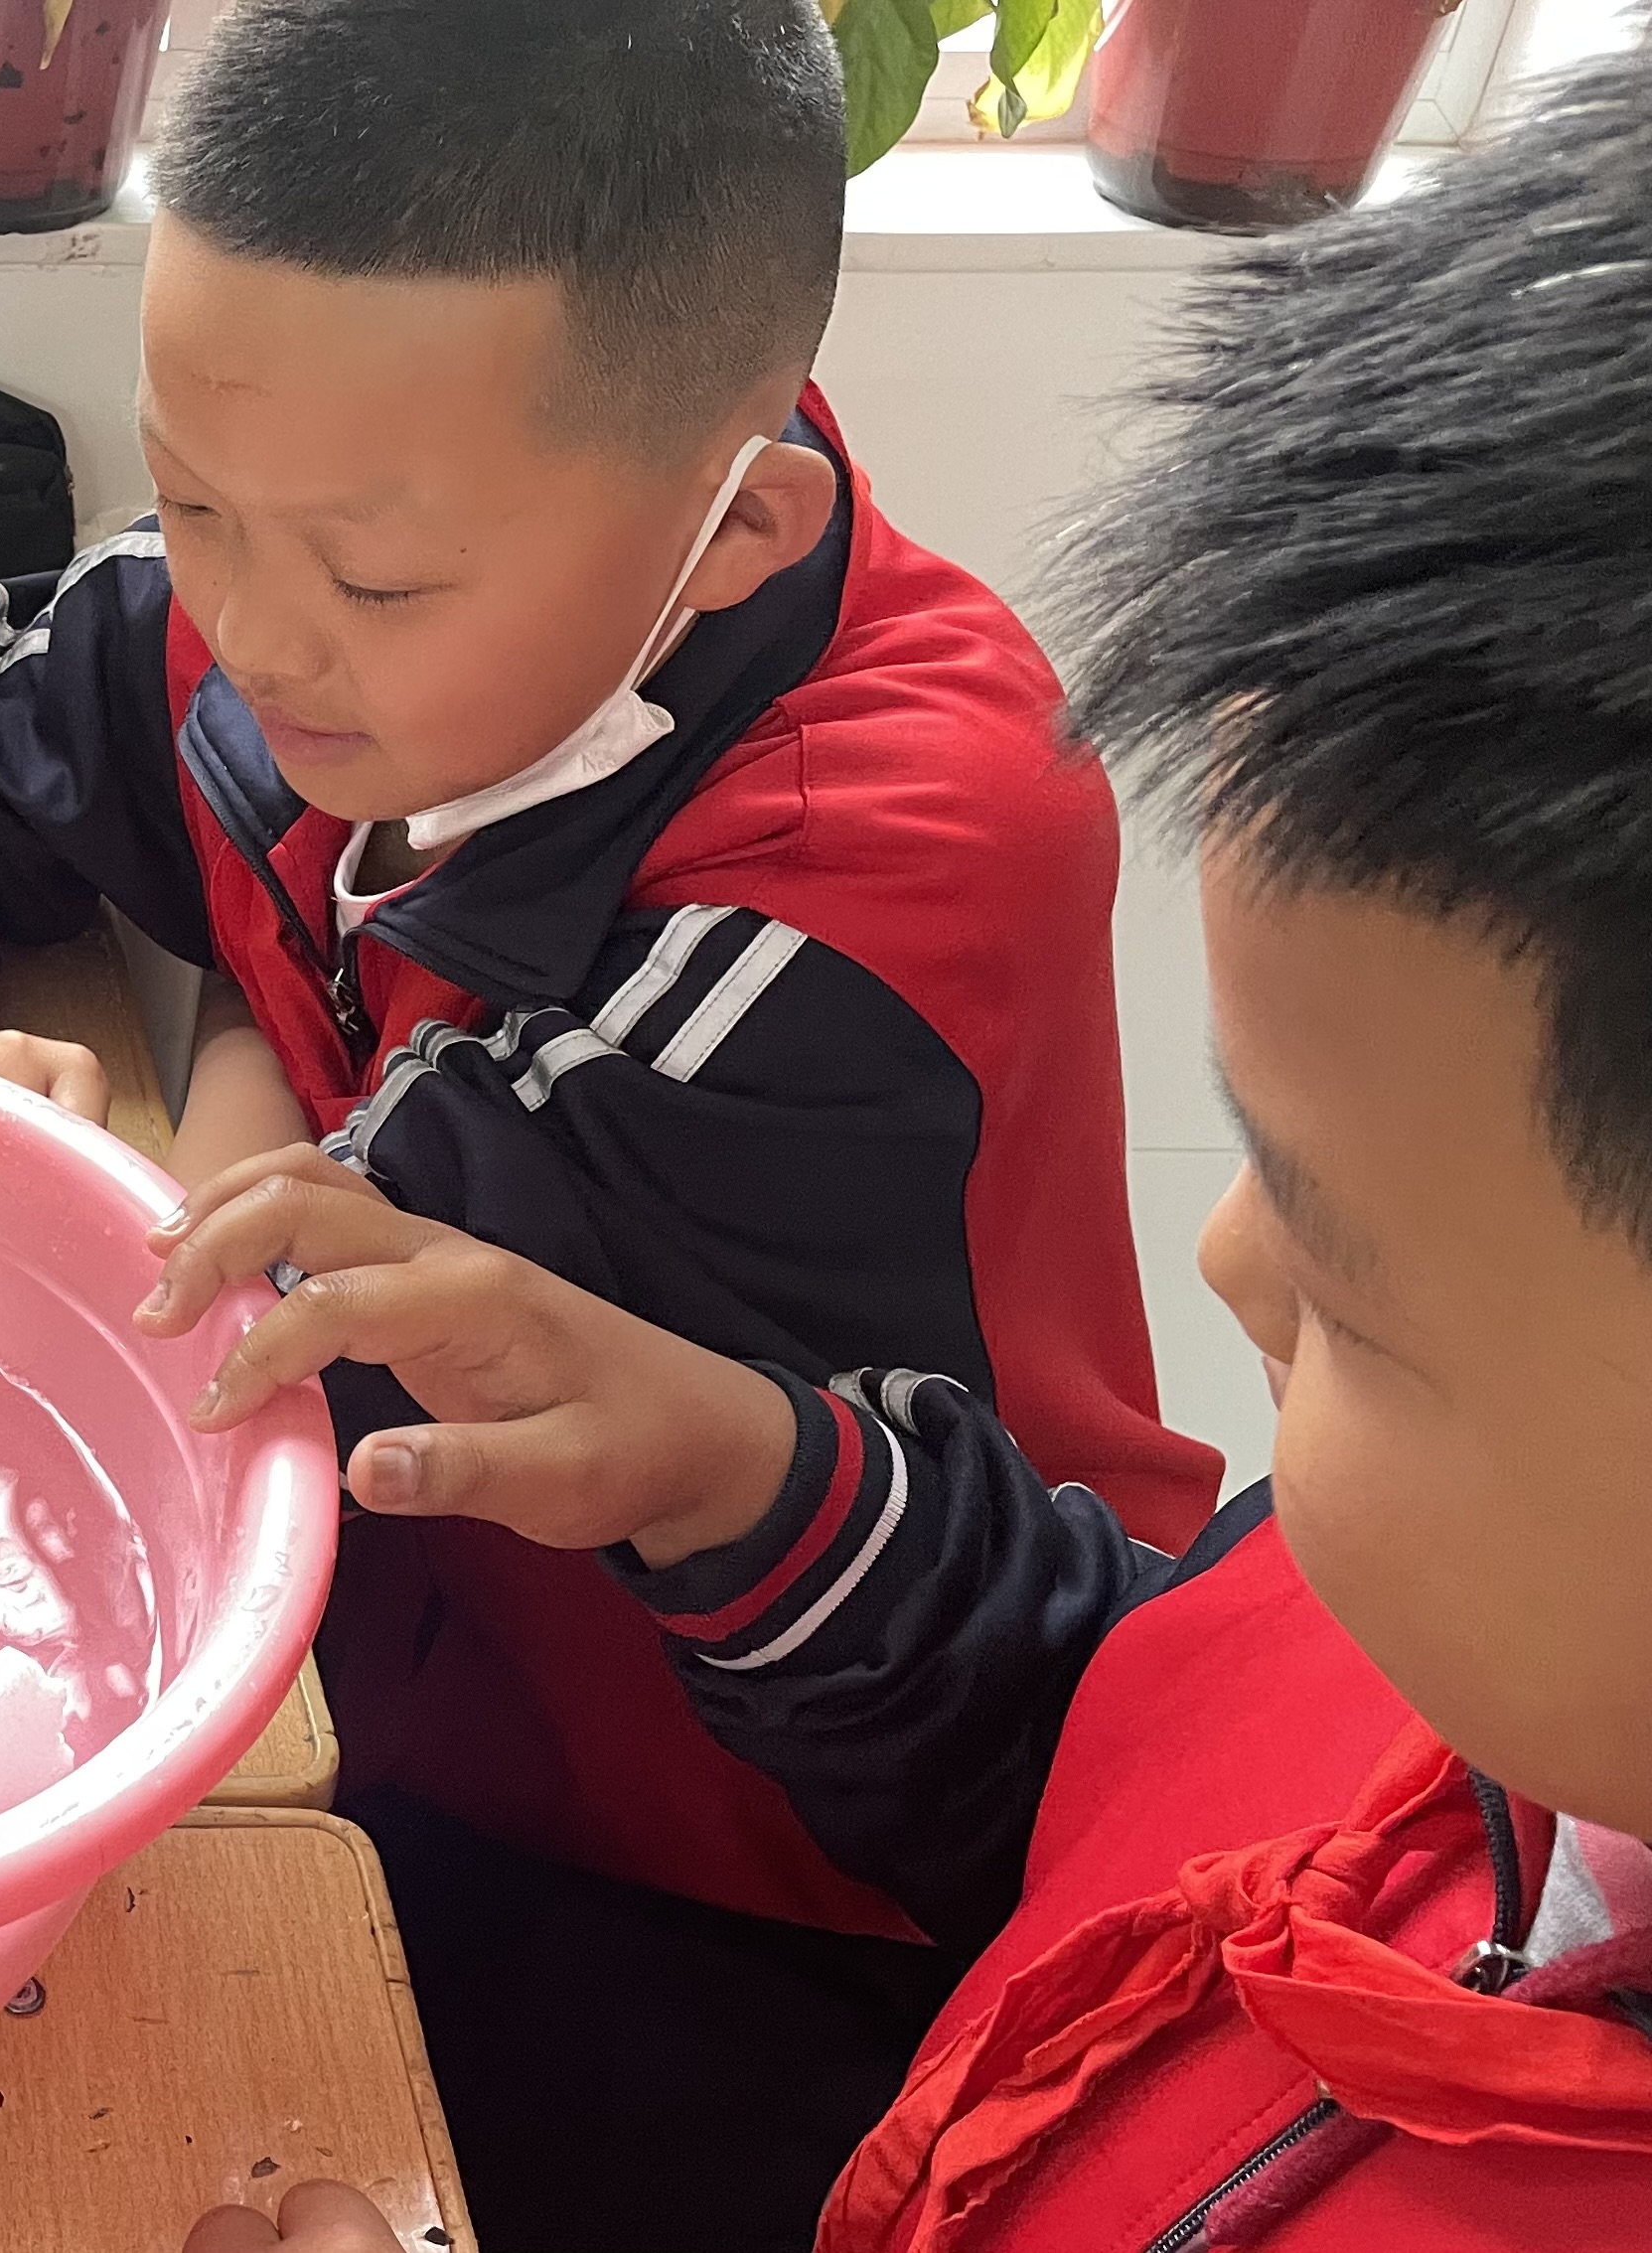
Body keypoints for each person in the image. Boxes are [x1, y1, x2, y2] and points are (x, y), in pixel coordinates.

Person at [0, 0, 1216, 2235]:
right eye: (192, 498)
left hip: (794, 1882)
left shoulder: (887, 862)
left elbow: (227, 1319)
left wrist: (242, 1077)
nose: (252, 634)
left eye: (374, 577)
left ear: (741, 529)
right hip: (392, 1692)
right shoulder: (348, 586)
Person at [160, 39, 1652, 2248]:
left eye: (1352, 1287)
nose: (1226, 1267)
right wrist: (738, 1478)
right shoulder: (1449, 1629)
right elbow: (1108, 1749)